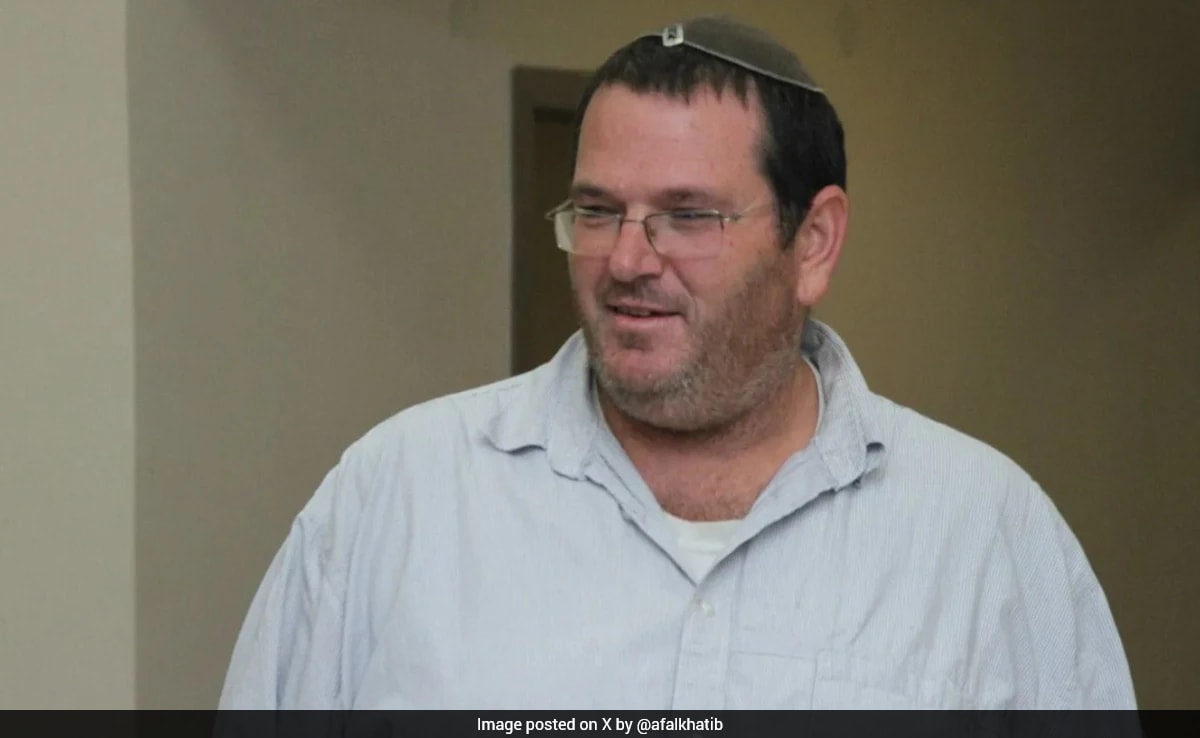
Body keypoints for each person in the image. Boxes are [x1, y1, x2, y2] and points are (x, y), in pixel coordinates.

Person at [219, 16, 1136, 709]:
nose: (626, 259)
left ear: (813, 242)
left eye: (688, 216)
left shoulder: (985, 539)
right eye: (598, 211)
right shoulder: (395, 501)